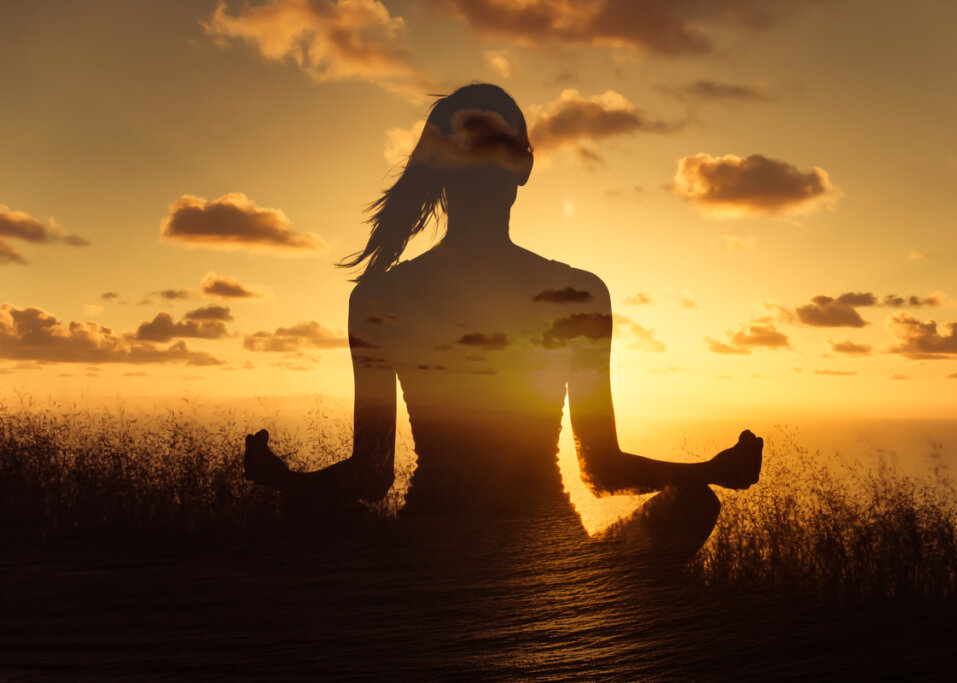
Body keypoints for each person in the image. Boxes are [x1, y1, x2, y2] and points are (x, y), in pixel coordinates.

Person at [244, 84, 762, 549]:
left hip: (429, 553)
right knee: (694, 502)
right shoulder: (579, 292)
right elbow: (601, 471)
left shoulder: (383, 296)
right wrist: (707, 471)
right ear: (525, 166)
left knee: (306, 507)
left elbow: (371, 476)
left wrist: (288, 482)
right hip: (549, 556)